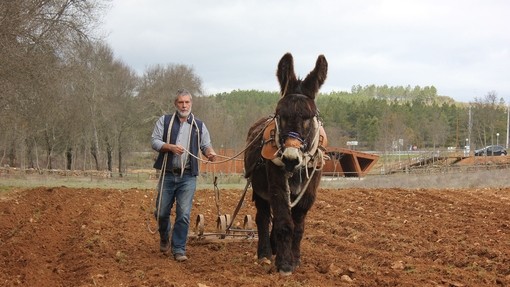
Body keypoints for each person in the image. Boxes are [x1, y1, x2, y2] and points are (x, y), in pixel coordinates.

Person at [151, 89, 217, 262]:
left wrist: (210, 153)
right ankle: (165, 236)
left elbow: (206, 145)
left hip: (188, 176)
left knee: (184, 213)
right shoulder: (164, 121)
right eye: (181, 102)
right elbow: (155, 141)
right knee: (161, 212)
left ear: (191, 104)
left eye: (187, 102)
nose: (184, 105)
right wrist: (170, 147)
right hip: (167, 174)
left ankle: (179, 248)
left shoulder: (199, 125)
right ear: (176, 104)